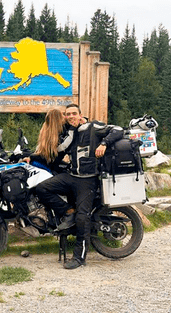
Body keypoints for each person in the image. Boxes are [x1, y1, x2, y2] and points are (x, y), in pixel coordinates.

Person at [34, 103, 124, 270]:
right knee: (41, 188)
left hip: (87, 180)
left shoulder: (92, 126)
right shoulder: (69, 132)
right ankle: (68, 212)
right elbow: (54, 150)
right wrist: (28, 157)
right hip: (71, 176)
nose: (71, 116)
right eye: (68, 114)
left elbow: (118, 130)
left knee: (83, 218)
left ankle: (79, 257)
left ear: (80, 114)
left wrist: (103, 143)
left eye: (74, 113)